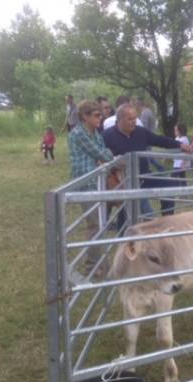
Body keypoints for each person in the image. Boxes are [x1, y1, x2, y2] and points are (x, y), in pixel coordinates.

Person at [103, 104, 191, 217]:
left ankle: (167, 219)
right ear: (119, 119)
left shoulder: (141, 132)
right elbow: (100, 157)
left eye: (135, 118)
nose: (134, 122)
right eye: (130, 119)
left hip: (144, 177)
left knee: (169, 185)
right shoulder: (107, 136)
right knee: (126, 215)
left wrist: (179, 144)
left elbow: (159, 140)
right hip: (123, 181)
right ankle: (122, 232)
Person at [67, 100, 114, 276]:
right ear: (84, 116)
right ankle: (92, 266)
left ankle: (96, 264)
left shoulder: (95, 133)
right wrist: (105, 157)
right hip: (86, 184)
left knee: (98, 224)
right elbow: (102, 154)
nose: (100, 118)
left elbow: (103, 152)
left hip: (97, 182)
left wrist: (105, 156)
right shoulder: (79, 134)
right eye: (96, 115)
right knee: (95, 225)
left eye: (100, 115)